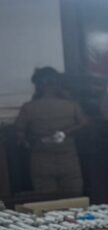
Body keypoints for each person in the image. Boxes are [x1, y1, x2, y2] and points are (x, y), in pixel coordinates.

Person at [13, 67, 87, 197]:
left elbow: (19, 135)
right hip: (69, 160)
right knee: (75, 202)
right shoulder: (71, 105)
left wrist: (30, 142)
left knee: (47, 205)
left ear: (39, 86)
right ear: (57, 84)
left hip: (41, 162)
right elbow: (85, 123)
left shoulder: (28, 108)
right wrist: (65, 132)